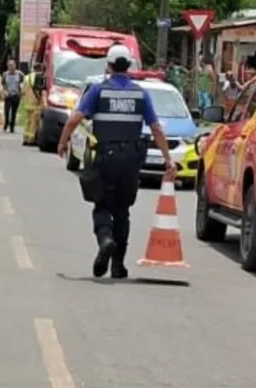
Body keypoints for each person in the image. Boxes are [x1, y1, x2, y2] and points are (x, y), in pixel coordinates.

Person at [57, 44, 176, 279]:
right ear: (129, 66)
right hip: (131, 160)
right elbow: (156, 128)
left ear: (109, 66)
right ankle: (118, 265)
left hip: (106, 158)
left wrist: (63, 142)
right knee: (122, 211)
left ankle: (105, 239)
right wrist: (168, 160)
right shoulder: (140, 94)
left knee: (101, 205)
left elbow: (74, 119)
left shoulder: (99, 91)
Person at [20, 62, 44, 146]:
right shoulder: (40, 77)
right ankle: (31, 139)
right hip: (36, 103)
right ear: (41, 69)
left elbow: (22, 91)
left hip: (27, 103)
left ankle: (25, 138)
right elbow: (40, 91)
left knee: (27, 121)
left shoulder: (27, 77)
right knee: (34, 123)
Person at [2, 60, 23, 133]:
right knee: (7, 110)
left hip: (16, 95)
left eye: (12, 65)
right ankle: (6, 122)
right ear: (7, 66)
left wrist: (21, 91)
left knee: (14, 112)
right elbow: (3, 84)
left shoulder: (19, 74)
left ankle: (12, 126)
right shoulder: (5, 74)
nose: (11, 67)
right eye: (9, 65)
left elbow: (23, 83)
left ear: (15, 65)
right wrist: (4, 91)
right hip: (8, 95)